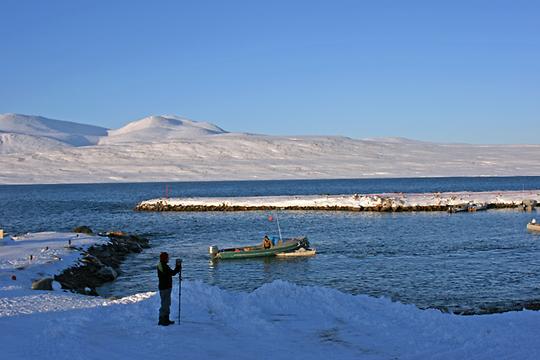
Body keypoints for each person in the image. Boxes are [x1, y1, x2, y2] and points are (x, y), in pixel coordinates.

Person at [157, 252, 180, 326]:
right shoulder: (163, 266)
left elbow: (170, 273)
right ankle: (163, 320)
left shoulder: (162, 265)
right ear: (164, 258)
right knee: (165, 304)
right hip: (165, 288)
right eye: (167, 258)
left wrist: (177, 268)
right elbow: (171, 273)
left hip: (165, 287)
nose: (168, 259)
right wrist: (178, 267)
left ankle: (165, 319)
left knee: (166, 303)